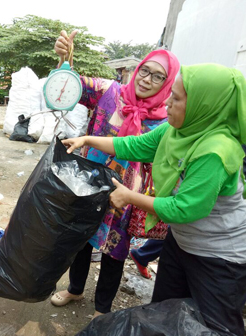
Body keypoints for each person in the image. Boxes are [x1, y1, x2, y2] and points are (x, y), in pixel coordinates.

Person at [63, 63, 246, 336]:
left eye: (178, 97)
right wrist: (87, 139)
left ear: (202, 104)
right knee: (164, 315)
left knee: (216, 327)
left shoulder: (215, 151)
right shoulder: (176, 130)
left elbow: (184, 209)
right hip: (182, 243)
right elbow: (133, 145)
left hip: (220, 257)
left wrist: (130, 196)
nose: (168, 102)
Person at [50, 30, 180, 318]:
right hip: (87, 182)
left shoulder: (166, 119)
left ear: (167, 83)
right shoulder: (109, 91)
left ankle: (102, 309)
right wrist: (65, 59)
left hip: (125, 195)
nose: (147, 79)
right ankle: (75, 288)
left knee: (114, 251)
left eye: (158, 76)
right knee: (81, 239)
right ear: (136, 69)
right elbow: (72, 86)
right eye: (144, 70)